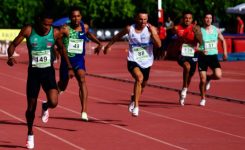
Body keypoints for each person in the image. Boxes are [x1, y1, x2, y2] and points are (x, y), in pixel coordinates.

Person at [6, 12, 74, 149]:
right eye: (44, 24)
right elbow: (12, 45)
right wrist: (10, 56)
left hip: (48, 72)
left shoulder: (54, 33)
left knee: (54, 102)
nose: (46, 27)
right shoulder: (28, 30)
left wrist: (69, 66)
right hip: (33, 73)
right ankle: (30, 133)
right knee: (30, 109)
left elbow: (62, 48)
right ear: (38, 20)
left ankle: (45, 106)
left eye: (49, 24)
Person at [103, 10, 161, 116]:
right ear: (136, 18)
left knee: (143, 85)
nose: (143, 22)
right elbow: (117, 36)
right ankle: (136, 106)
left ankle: (134, 99)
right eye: (140, 19)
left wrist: (153, 34)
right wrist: (108, 46)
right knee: (139, 78)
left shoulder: (151, 29)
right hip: (133, 59)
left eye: (145, 19)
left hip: (147, 61)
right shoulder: (130, 29)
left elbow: (159, 44)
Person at [57, 6, 103, 121]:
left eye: (78, 16)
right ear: (70, 18)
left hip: (79, 60)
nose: (76, 18)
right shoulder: (65, 29)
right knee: (63, 85)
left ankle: (84, 111)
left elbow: (89, 34)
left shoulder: (84, 27)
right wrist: (56, 49)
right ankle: (50, 99)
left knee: (82, 79)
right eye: (73, 16)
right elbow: (55, 38)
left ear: (81, 17)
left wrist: (99, 43)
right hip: (67, 61)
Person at [198, 12, 227, 106]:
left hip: (213, 56)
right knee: (202, 80)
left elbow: (223, 40)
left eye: (210, 18)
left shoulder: (216, 30)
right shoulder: (200, 30)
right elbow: (196, 46)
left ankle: (209, 78)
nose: (208, 20)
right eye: (206, 18)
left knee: (218, 75)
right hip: (203, 57)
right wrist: (200, 50)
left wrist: (225, 52)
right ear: (203, 19)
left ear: (212, 19)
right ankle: (203, 98)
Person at [173, 11, 202, 106]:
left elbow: (201, 42)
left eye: (189, 18)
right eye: (186, 18)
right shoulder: (177, 28)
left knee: (190, 75)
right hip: (182, 53)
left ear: (192, 20)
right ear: (183, 19)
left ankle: (183, 89)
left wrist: (197, 34)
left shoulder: (196, 28)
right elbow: (173, 34)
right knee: (187, 67)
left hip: (193, 54)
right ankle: (185, 88)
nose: (187, 20)